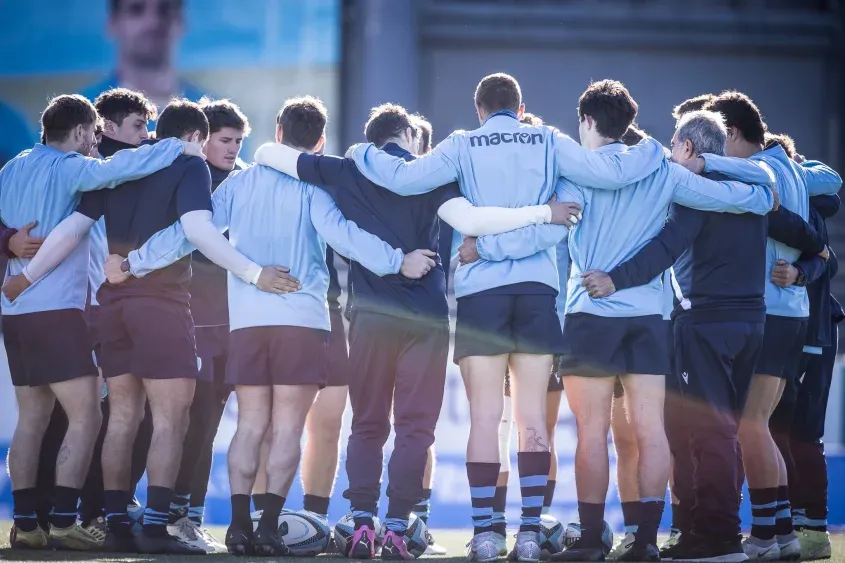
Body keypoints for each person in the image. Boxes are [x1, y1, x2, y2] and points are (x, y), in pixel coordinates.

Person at [343, 72, 675, 562]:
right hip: (538, 293)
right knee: (531, 422)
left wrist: (360, 152)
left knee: (484, 418)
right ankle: (526, 536)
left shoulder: (462, 143)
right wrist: (651, 150)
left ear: (479, 110)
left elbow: (403, 177)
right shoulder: (547, 139)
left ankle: (484, 536)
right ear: (520, 109)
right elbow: (572, 210)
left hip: (482, 293)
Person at [458, 80, 776, 562]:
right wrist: (709, 163)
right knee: (650, 429)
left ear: (587, 122)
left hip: (591, 312)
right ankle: (645, 540)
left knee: (592, 434)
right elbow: (757, 197)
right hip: (650, 316)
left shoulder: (574, 173)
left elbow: (543, 230)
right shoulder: (667, 170)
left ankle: (589, 541)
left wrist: (481, 248)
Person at [254, 100, 580, 560]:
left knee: (366, 426)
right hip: (424, 319)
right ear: (407, 135)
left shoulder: (345, 170)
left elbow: (270, 153)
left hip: (368, 319)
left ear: (372, 137)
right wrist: (542, 214)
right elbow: (472, 223)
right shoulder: (433, 176)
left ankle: (362, 522)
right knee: (414, 429)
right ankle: (395, 527)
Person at [123, 96, 439, 556]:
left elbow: (189, 232)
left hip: (247, 322)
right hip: (302, 321)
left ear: (276, 133)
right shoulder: (315, 189)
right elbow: (344, 237)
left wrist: (135, 261)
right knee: (289, 426)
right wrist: (398, 261)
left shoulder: (238, 184)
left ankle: (236, 526)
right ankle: (269, 527)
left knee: (250, 424)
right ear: (320, 141)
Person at [6, 99, 279, 555]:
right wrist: (253, 272)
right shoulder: (190, 167)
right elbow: (196, 228)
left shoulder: (119, 167)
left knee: (123, 417)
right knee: (171, 420)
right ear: (195, 138)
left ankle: (113, 522)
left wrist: (25, 277)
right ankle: (155, 528)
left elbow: (73, 227)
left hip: (110, 305)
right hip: (162, 304)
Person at [1, 94, 201, 551]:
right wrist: (178, 146)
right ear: (77, 133)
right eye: (92, 134)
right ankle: (66, 519)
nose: (96, 143)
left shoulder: (11, 167)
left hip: (13, 311)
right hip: (58, 307)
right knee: (88, 416)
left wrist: (9, 240)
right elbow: (116, 170)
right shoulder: (72, 166)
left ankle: (27, 523)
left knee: (31, 418)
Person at [579, 110, 775, 562]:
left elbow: (667, 247)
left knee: (709, 433)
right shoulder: (751, 191)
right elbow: (785, 215)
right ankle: (703, 532)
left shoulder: (694, 195)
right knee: (719, 429)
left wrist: (615, 279)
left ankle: (718, 537)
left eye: (674, 145)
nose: (670, 152)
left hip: (705, 322)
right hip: (752, 322)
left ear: (688, 148)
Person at [699, 91, 841, 560]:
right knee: (760, 426)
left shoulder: (769, 169)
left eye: (721, 140)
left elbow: (774, 206)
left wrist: (694, 163)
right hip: (790, 314)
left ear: (735, 133)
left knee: (751, 425)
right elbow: (828, 185)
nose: (719, 152)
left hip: (775, 311)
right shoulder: (791, 167)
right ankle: (778, 533)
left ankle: (767, 536)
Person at [164, 98, 251, 554]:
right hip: (181, 319)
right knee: (176, 423)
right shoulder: (183, 176)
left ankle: (187, 518)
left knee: (207, 423)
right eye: (225, 139)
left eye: (239, 140)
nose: (234, 148)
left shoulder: (247, 181)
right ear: (202, 139)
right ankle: (160, 516)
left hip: (229, 326)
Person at [81, 0, 205, 113]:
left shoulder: (212, 116)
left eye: (164, 9)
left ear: (181, 21)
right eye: (136, 9)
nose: (152, 22)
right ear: (113, 23)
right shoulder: (82, 114)